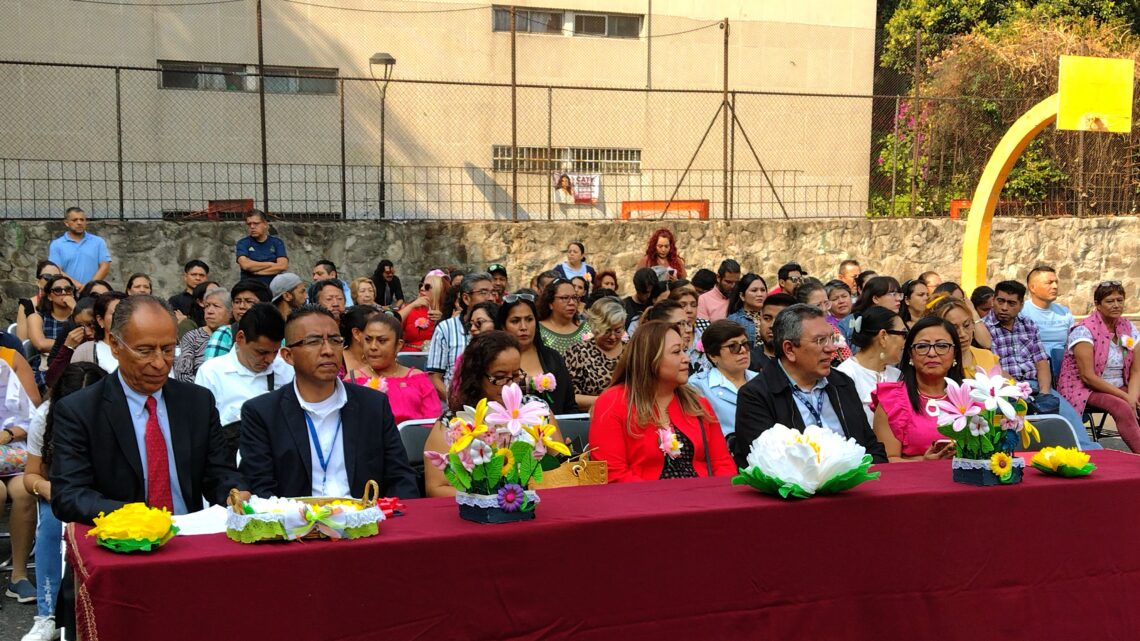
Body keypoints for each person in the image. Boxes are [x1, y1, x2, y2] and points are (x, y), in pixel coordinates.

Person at [51, 295, 246, 524]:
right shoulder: (80, 411)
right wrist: (139, 518)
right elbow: (69, 495)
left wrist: (235, 493)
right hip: (121, 541)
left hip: (189, 537)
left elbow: (219, 473)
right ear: (115, 345)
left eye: (167, 349)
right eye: (144, 351)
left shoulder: (197, 402)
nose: (159, 362)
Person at [240, 305, 419, 499]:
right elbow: (261, 490)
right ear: (288, 356)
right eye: (314, 341)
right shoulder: (262, 413)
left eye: (335, 340)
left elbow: (401, 478)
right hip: (294, 525)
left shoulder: (373, 405)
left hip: (366, 523)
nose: (328, 350)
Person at [733, 304, 887, 468]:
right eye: (820, 341)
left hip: (855, 484)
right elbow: (766, 466)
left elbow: (870, 446)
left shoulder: (842, 383)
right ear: (790, 349)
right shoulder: (756, 396)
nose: (831, 348)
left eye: (831, 338)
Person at [423, 331, 566, 497]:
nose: (510, 384)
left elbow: (560, 469)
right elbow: (436, 488)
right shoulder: (454, 423)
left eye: (515, 375)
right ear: (476, 376)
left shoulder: (537, 409)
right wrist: (495, 497)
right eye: (500, 377)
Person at [589, 321, 736, 482]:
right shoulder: (612, 403)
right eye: (676, 352)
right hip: (641, 502)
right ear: (650, 359)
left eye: (684, 350)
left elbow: (722, 463)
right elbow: (613, 473)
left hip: (704, 499)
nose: (686, 358)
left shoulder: (698, 404)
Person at [21, 362, 104, 641]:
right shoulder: (46, 417)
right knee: (52, 522)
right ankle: (47, 615)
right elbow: (31, 476)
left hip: (103, 491)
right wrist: (50, 489)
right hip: (60, 490)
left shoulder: (115, 415)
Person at [984, 280, 1099, 450]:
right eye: (1000, 301)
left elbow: (1041, 362)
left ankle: (1089, 452)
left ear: (1021, 305)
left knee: (1069, 418)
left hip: (1036, 385)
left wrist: (1045, 393)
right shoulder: (983, 329)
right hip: (1004, 389)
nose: (1004, 307)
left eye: (1011, 303)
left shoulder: (1028, 325)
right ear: (993, 300)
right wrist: (1018, 389)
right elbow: (991, 366)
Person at [195, 303, 293, 463]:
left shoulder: (287, 369)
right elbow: (202, 434)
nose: (270, 359)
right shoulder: (212, 373)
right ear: (240, 338)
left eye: (275, 352)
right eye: (261, 352)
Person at [1057, 281, 1140, 452]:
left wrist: (1132, 395)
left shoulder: (1128, 327)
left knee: (1132, 400)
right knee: (1122, 406)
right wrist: (1127, 399)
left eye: (1120, 300)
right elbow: (1088, 377)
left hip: (1121, 384)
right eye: (1110, 301)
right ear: (1097, 305)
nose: (1116, 305)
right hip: (1087, 388)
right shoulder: (1084, 330)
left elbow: (1136, 370)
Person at [871, 316, 961, 462]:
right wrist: (924, 462)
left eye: (942, 346)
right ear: (910, 355)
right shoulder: (892, 400)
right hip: (914, 482)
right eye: (922, 346)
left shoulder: (973, 397)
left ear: (955, 353)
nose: (932, 353)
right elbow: (887, 461)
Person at [341, 313, 440, 425]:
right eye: (368, 340)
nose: (373, 347)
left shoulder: (417, 378)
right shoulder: (353, 380)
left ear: (398, 345)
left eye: (381, 341)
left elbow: (432, 423)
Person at [496, 293, 577, 414]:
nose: (523, 327)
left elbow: (569, 406)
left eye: (529, 320)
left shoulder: (553, 358)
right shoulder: (494, 360)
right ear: (503, 326)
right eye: (515, 321)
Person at [0, 353, 37, 607]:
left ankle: (19, 575)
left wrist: (8, 433)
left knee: (24, 491)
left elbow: (32, 414)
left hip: (10, 453)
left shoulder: (8, 359)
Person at [426, 272, 496, 397]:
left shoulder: (500, 326)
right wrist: (455, 401)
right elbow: (434, 377)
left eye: (493, 292)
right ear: (466, 298)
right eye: (483, 292)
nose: (490, 298)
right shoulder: (446, 328)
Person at [835, 307, 905, 426]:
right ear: (883, 336)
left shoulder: (897, 375)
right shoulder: (846, 375)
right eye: (903, 334)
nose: (905, 342)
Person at [689, 320, 756, 443]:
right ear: (713, 355)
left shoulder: (760, 380)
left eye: (745, 344)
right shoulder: (698, 386)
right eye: (733, 346)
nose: (743, 351)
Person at [565, 297, 626, 410]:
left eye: (618, 331)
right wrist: (607, 401)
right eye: (607, 331)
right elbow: (569, 396)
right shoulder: (578, 351)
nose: (612, 337)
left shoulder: (631, 349)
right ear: (595, 327)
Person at [54, 291, 126, 380]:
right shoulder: (84, 350)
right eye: (115, 313)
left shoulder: (141, 345)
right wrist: (67, 348)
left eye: (91, 324)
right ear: (100, 320)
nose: (87, 332)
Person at [1020, 265, 1074, 377]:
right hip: (1033, 371)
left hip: (1063, 370)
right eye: (1049, 283)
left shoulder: (1064, 312)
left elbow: (1072, 345)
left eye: (1056, 282)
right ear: (1032, 287)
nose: (1055, 286)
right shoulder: (1021, 312)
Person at [928, 296, 1002, 376]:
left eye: (966, 325)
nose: (962, 334)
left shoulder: (987, 357)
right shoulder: (934, 364)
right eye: (954, 328)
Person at [26, 274, 77, 387]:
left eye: (68, 289)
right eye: (57, 290)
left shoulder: (77, 318)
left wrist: (76, 309)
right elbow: (40, 344)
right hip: (47, 367)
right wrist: (69, 344)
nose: (64, 293)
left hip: (75, 365)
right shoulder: (37, 317)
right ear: (49, 296)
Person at [202, 280, 272, 360]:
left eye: (249, 301)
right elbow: (211, 370)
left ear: (265, 305)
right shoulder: (225, 334)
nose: (241, 306)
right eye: (237, 302)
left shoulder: (276, 334)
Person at [174, 286, 231, 383]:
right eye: (207, 306)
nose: (209, 311)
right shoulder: (193, 337)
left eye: (216, 306)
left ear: (230, 312)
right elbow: (182, 374)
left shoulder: (236, 335)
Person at [47, 207, 110, 287]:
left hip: (93, 293)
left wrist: (89, 287)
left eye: (82, 219)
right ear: (66, 223)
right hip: (68, 292)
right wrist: (78, 286)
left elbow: (105, 267)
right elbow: (55, 270)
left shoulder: (98, 242)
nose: (79, 222)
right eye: (74, 220)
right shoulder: (57, 244)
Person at [796, 278, 851, 364]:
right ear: (803, 307)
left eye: (826, 303)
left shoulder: (832, 328)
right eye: (818, 305)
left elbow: (845, 352)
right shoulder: (799, 333)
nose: (824, 309)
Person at [235, 209, 288, 286]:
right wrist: (271, 264)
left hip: (273, 287)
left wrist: (257, 272)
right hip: (250, 286)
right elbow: (246, 265)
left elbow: (283, 266)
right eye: (249, 224)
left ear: (265, 224)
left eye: (256, 223)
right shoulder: (243, 243)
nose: (252, 227)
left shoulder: (277, 242)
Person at [400, 271, 449, 351]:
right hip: (410, 358)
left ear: (439, 290)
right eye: (421, 285)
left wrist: (442, 320)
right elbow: (389, 325)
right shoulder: (410, 308)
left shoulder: (449, 311)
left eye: (427, 287)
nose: (422, 289)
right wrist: (411, 306)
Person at [748, 292, 796, 373]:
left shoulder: (803, 359)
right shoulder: (748, 361)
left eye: (779, 320)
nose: (772, 325)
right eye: (767, 318)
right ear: (760, 319)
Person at [538, 278, 587, 355]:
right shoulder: (538, 330)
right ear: (550, 303)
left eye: (574, 298)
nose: (571, 303)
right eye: (565, 298)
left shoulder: (586, 328)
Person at [15, 261, 62, 342]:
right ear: (38, 282)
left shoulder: (66, 302)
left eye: (57, 277)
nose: (53, 281)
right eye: (47, 277)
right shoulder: (27, 305)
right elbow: (22, 342)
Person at [726, 273, 768, 343]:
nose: (760, 294)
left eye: (763, 290)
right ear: (742, 296)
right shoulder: (733, 320)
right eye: (754, 290)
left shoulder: (774, 316)